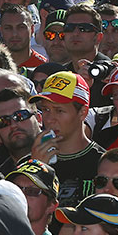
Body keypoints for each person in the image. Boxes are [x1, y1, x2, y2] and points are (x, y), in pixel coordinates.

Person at [30, 70, 105, 206]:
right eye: (46, 109)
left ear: (83, 113)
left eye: (59, 110)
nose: (50, 119)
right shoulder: (32, 160)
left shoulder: (104, 164)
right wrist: (36, 170)